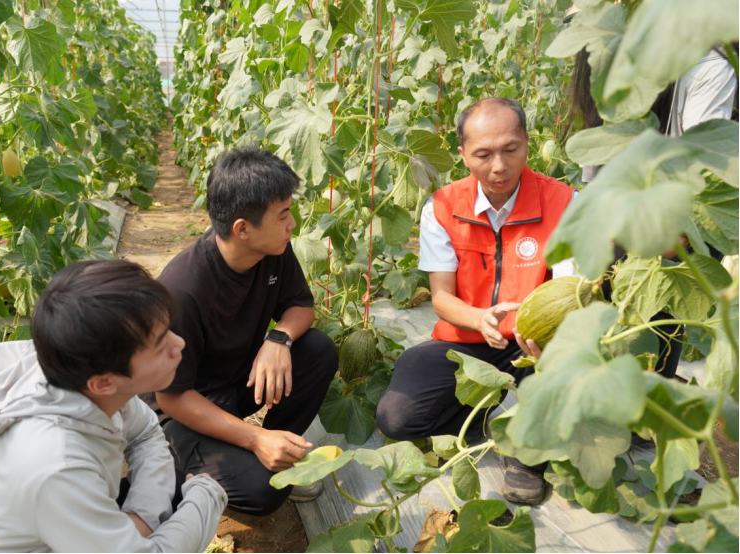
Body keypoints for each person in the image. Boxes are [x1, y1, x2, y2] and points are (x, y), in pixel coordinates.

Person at [0, 260, 227, 553]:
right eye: (161, 344)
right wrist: (206, 497)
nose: (180, 344)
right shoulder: (57, 465)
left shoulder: (82, 378)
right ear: (103, 382)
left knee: (168, 486)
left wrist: (142, 517)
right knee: (185, 493)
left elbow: (145, 432)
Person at [375, 97, 578, 506]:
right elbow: (441, 298)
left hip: (535, 343)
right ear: (463, 154)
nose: (499, 166)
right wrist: (481, 318)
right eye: (483, 154)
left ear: (527, 143)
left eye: (510, 150)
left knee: (563, 379)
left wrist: (554, 338)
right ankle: (484, 413)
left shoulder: (563, 202)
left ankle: (526, 457)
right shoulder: (444, 206)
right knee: (396, 419)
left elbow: (570, 288)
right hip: (465, 339)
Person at [153, 147, 339, 517]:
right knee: (262, 492)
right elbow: (172, 398)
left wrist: (279, 337)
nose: (292, 225)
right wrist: (253, 436)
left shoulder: (272, 249)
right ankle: (179, 473)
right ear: (243, 229)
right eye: (283, 215)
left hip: (235, 384)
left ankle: (280, 449)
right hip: (182, 413)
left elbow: (301, 307)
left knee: (318, 350)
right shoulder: (182, 290)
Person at [567, 31, 739, 380]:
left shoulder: (707, 64)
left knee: (660, 307)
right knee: (607, 309)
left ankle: (648, 409)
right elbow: (597, 151)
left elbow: (702, 171)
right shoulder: (605, 56)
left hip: (696, 206)